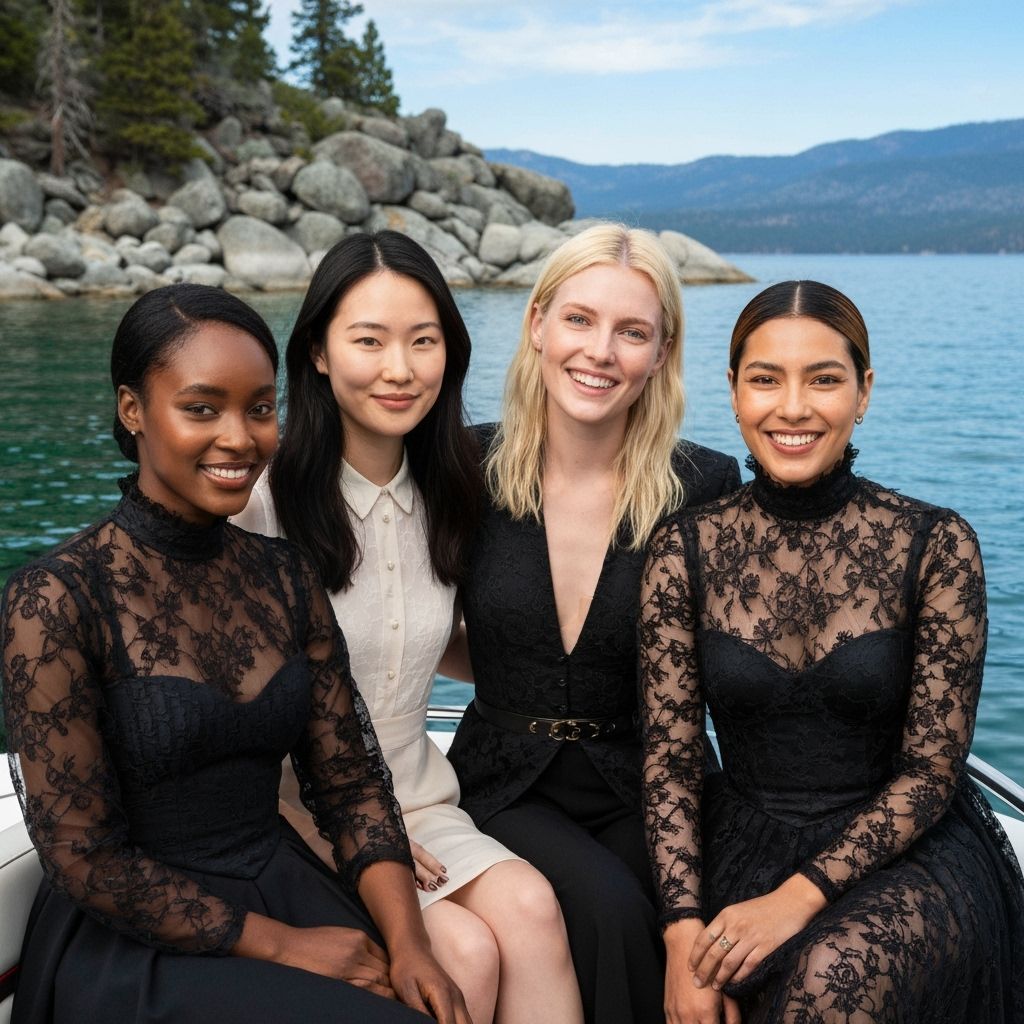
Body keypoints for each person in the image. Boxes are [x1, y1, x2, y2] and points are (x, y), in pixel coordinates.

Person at [1, 284, 470, 1024]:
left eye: (258, 408)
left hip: (281, 879)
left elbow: (351, 786)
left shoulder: (285, 576)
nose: (240, 438)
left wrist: (412, 946)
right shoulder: (56, 596)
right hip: (137, 941)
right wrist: (284, 947)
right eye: (201, 408)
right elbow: (82, 855)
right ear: (132, 410)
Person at [639, 280, 1024, 1024]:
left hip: (905, 847)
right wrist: (682, 930)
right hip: (745, 836)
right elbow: (672, 761)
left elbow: (932, 771)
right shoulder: (684, 548)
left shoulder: (936, 544)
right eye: (765, 380)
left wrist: (797, 898)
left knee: (829, 976)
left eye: (823, 379)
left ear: (863, 391)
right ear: (733, 391)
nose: (793, 408)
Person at [233, 231, 583, 1024]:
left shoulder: (453, 489)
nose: (400, 368)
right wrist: (344, 836)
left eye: (423, 341)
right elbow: (228, 718)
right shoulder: (263, 503)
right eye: (369, 341)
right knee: (465, 951)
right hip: (298, 815)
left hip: (421, 798)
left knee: (532, 907)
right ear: (318, 352)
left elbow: (436, 643)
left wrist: (578, 673)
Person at [446, 223, 741, 1024]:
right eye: (579, 319)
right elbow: (415, 628)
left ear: (661, 352)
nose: (600, 351)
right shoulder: (466, 467)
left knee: (700, 908)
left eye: (632, 332)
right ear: (538, 323)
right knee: (609, 908)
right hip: (505, 779)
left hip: (653, 779)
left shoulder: (705, 486)